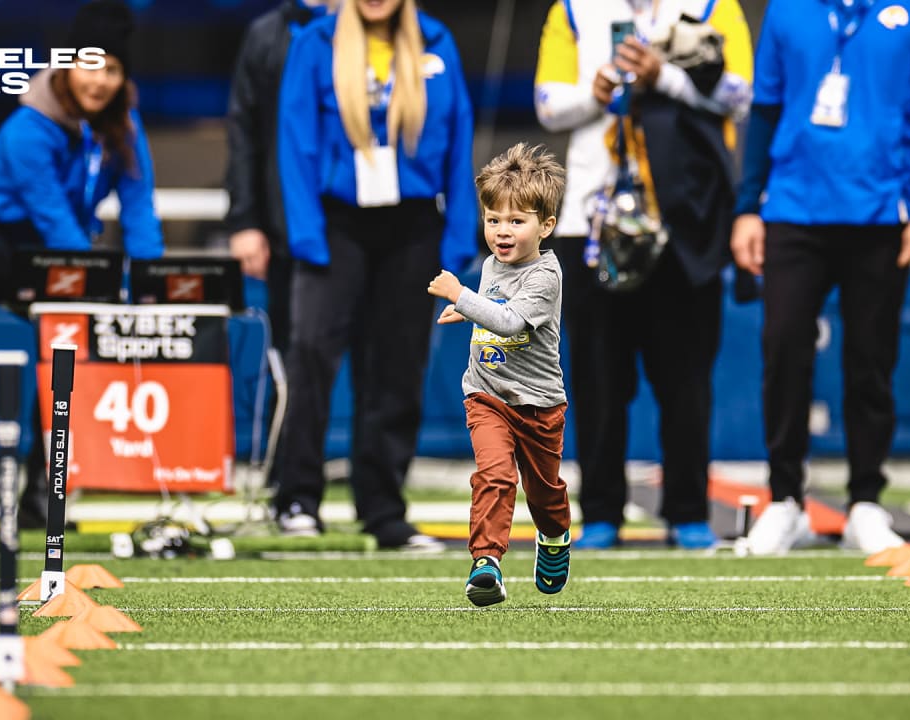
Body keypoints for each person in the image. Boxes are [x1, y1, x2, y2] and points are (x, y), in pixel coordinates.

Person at [729, 0, 910, 555]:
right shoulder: (789, 9)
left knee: (871, 361)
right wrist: (746, 206)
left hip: (883, 210)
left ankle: (865, 501)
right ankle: (785, 500)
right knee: (783, 349)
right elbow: (764, 109)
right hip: (792, 206)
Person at [534, 0, 754, 549]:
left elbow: (742, 95)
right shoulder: (575, 8)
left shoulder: (712, 6)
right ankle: (602, 511)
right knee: (598, 375)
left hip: (686, 213)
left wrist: (667, 78)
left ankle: (687, 510)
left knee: (685, 376)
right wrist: (600, 89)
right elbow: (547, 103)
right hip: (595, 217)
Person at [0, 0, 162, 528]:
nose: (101, 80)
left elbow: (138, 211)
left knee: (62, 345)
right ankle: (40, 305)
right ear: (66, 65)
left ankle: (41, 496)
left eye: (112, 69)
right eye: (91, 65)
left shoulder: (124, 128)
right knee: (65, 322)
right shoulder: (29, 126)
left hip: (60, 251)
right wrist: (96, 292)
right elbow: (53, 219)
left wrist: (150, 287)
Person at [276, 0, 478, 548]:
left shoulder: (437, 42)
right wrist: (307, 234)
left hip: (413, 228)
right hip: (334, 225)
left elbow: (461, 143)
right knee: (313, 356)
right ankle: (297, 499)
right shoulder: (315, 43)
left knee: (397, 368)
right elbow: (293, 141)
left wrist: (459, 238)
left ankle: (384, 510)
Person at [427, 143, 570, 607]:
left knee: (544, 492)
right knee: (494, 474)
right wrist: (467, 312)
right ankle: (485, 562)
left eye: (516, 221)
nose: (502, 233)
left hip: (539, 403)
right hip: (487, 396)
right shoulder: (492, 265)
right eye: (493, 220)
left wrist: (461, 295)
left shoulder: (546, 275)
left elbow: (510, 321)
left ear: (545, 226)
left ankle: (554, 536)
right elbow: (496, 311)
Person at [223, 0, 335, 532]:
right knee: (299, 358)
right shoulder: (266, 35)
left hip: (365, 225)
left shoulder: (385, 32)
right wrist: (246, 220)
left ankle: (382, 501)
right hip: (290, 229)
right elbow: (244, 133)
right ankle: (291, 491)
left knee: (385, 367)